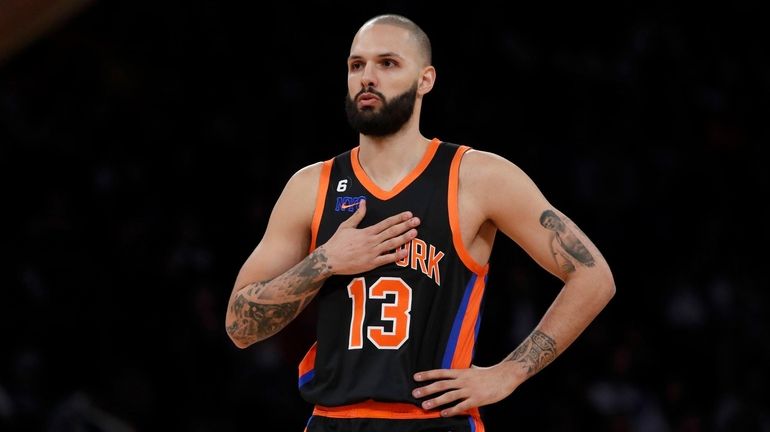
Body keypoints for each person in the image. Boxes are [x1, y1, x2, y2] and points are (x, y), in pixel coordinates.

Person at [225, 13, 615, 432]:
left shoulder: (477, 177)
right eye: (357, 65)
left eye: (387, 63)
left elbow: (595, 278)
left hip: (433, 420)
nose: (367, 77)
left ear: (425, 79)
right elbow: (238, 325)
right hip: (332, 419)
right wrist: (323, 261)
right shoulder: (311, 186)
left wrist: (509, 373)